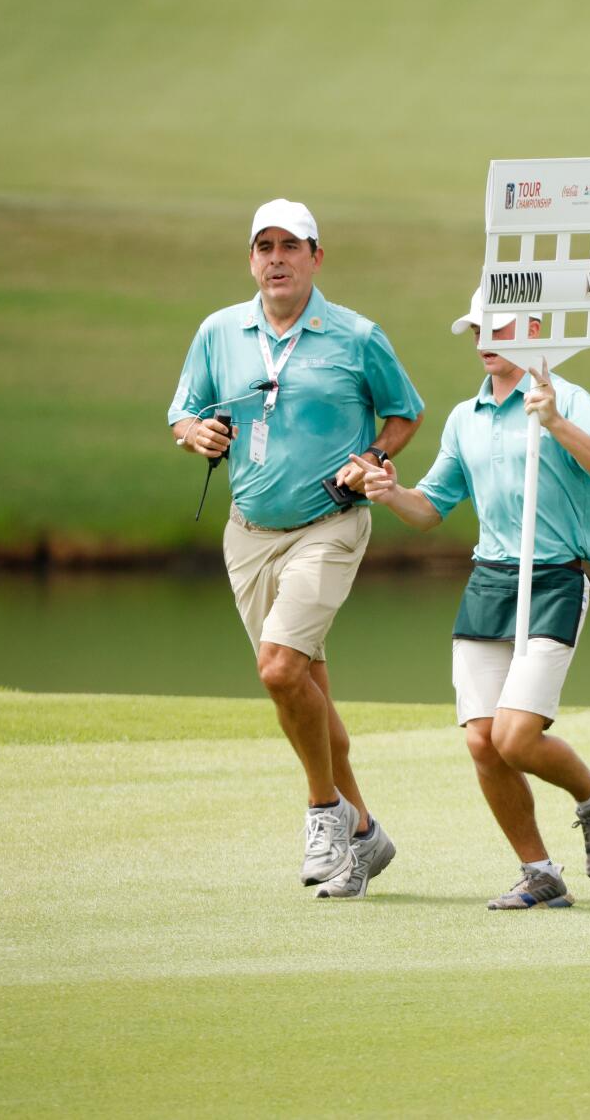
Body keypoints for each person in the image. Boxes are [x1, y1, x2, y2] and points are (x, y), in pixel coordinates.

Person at [166, 198, 424, 898]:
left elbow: (405, 411)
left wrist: (368, 455)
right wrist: (195, 433)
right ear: (251, 258)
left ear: (316, 255)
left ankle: (324, 811)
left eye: (290, 245)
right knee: (306, 685)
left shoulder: (356, 335)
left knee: (280, 671)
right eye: (264, 247)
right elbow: (182, 411)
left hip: (329, 522)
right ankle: (366, 832)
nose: (276, 259)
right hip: (248, 532)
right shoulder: (220, 331)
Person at [357, 289, 590, 910]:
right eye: (476, 329)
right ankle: (539, 872)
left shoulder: (570, 399)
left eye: (497, 327)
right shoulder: (464, 417)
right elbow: (431, 508)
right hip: (489, 578)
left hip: (555, 576)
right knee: (482, 740)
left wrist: (557, 422)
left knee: (515, 737)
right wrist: (390, 492)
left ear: (532, 331)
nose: (483, 339)